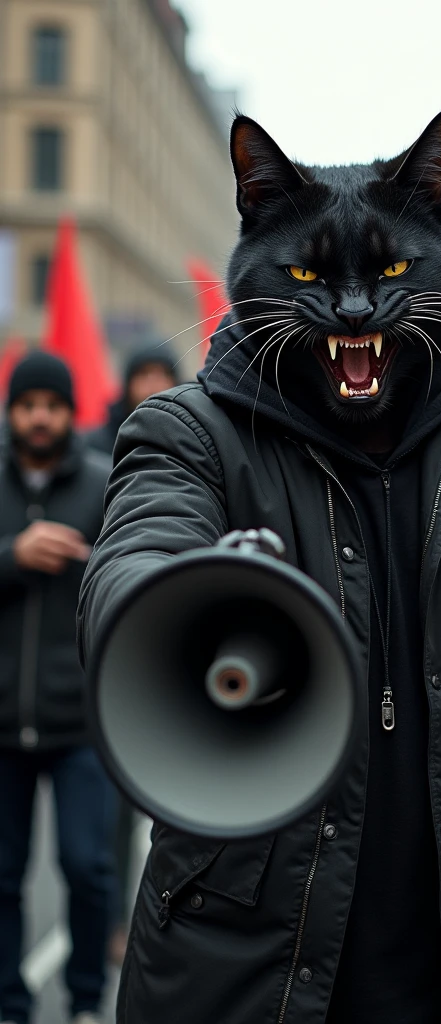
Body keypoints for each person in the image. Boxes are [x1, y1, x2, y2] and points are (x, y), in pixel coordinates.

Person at [78, 111, 441, 1024]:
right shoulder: (188, 433)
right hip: (251, 969)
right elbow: (129, 573)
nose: (350, 306)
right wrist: (200, 603)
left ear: (436, 240)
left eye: (388, 274)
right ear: (252, 239)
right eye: (307, 276)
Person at [0, 352, 115, 1024]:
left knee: (87, 866)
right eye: (27, 404)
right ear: (12, 411)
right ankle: (11, 1007)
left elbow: (141, 569)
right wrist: (13, 554)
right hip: (3, 722)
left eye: (51, 404)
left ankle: (85, 1001)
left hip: (80, 720)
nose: (39, 416)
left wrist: (94, 561)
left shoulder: (103, 484)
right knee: (2, 878)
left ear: (71, 412)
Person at [83, 345, 179, 966]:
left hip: (180, 655)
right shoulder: (99, 453)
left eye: (159, 378)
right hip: (109, 664)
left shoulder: (201, 436)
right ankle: (118, 926)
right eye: (139, 376)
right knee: (108, 826)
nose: (149, 385)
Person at [85, 347, 179, 456]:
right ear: (128, 383)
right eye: (144, 374)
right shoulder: (94, 447)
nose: (153, 384)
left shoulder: (187, 441)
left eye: (162, 374)